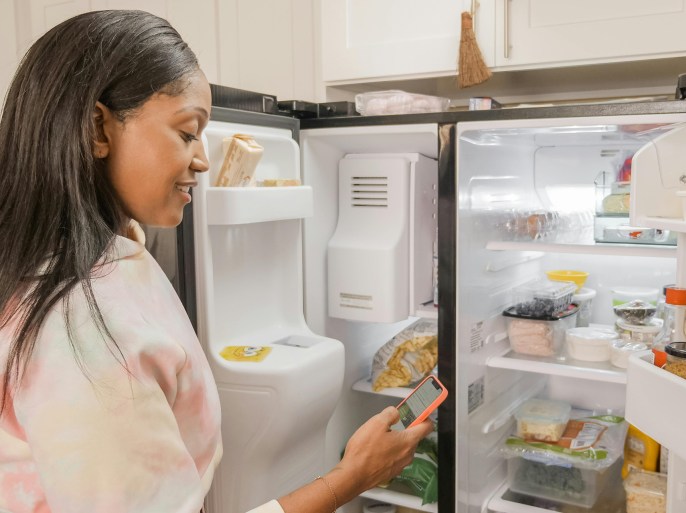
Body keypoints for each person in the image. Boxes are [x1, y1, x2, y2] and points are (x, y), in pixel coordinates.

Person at [0, 10, 435, 513]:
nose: (204, 160)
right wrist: (352, 476)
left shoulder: (113, 254)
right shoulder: (83, 331)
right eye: (187, 132)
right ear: (98, 128)